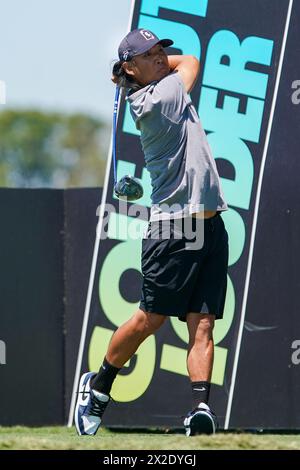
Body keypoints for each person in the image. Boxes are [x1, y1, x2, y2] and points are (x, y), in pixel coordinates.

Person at [75, 28, 229, 437]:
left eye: (162, 51)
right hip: (174, 229)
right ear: (130, 66)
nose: (162, 58)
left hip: (211, 226)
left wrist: (134, 71)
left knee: (203, 324)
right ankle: (99, 386)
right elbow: (193, 60)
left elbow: (180, 61)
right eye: (150, 55)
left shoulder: (157, 86)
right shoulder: (158, 99)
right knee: (150, 319)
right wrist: (136, 74)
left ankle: (200, 409)